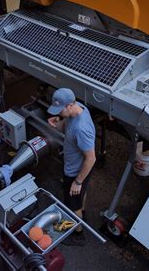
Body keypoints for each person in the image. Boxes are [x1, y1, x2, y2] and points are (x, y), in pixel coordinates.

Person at [47, 88, 96, 246]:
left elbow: (91, 158)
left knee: (72, 203)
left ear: (69, 106)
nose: (58, 113)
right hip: (79, 169)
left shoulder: (81, 129)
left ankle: (78, 234)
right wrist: (59, 123)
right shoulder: (79, 107)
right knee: (79, 198)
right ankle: (82, 213)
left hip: (76, 172)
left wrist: (78, 181)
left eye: (60, 110)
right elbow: (68, 123)